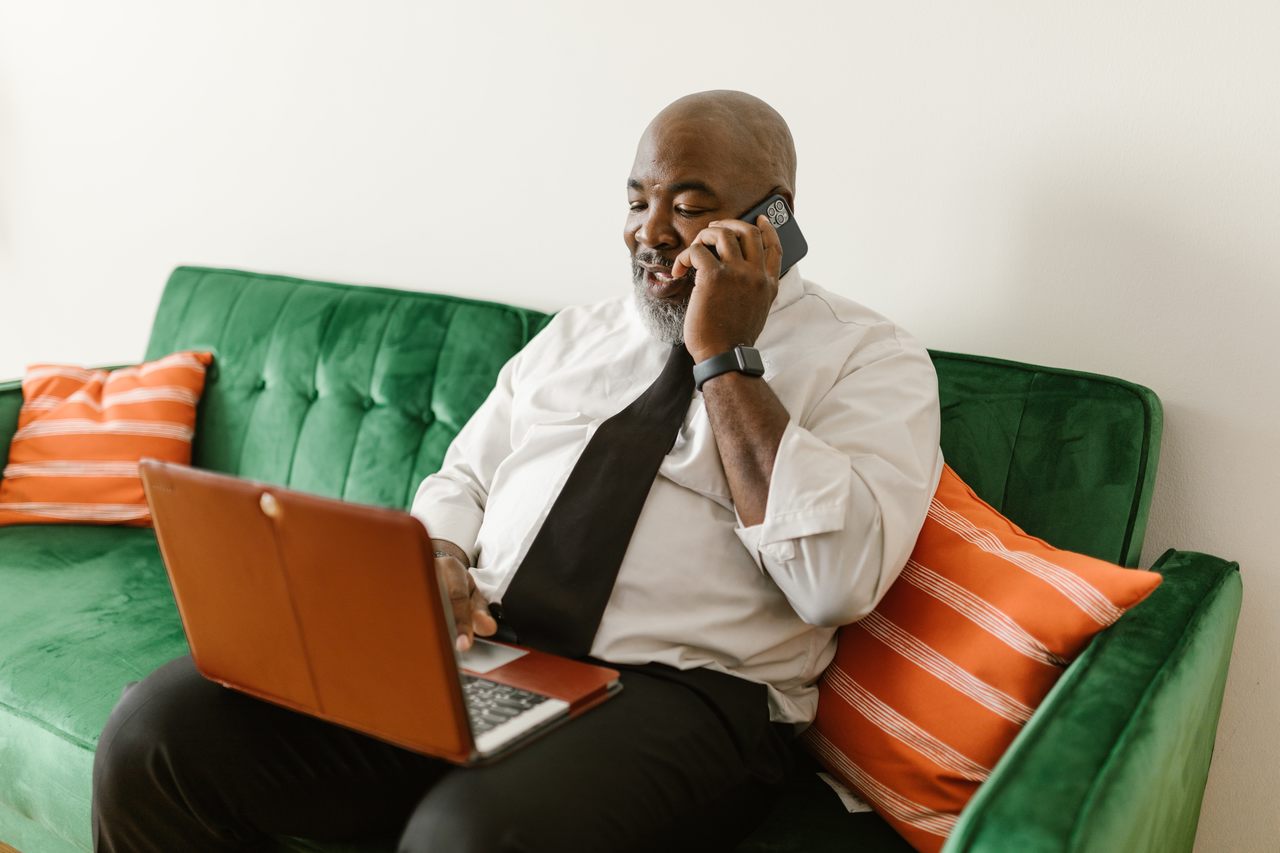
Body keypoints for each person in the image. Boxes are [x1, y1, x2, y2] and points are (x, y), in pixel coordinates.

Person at [92, 90, 943, 852]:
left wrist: (724, 356)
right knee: (156, 732)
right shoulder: (578, 334)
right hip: (487, 654)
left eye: (687, 207)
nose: (648, 233)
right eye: (637, 201)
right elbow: (462, 476)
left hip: (684, 693)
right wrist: (443, 559)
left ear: (770, 223)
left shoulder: (871, 361)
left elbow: (833, 582)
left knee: (467, 835)